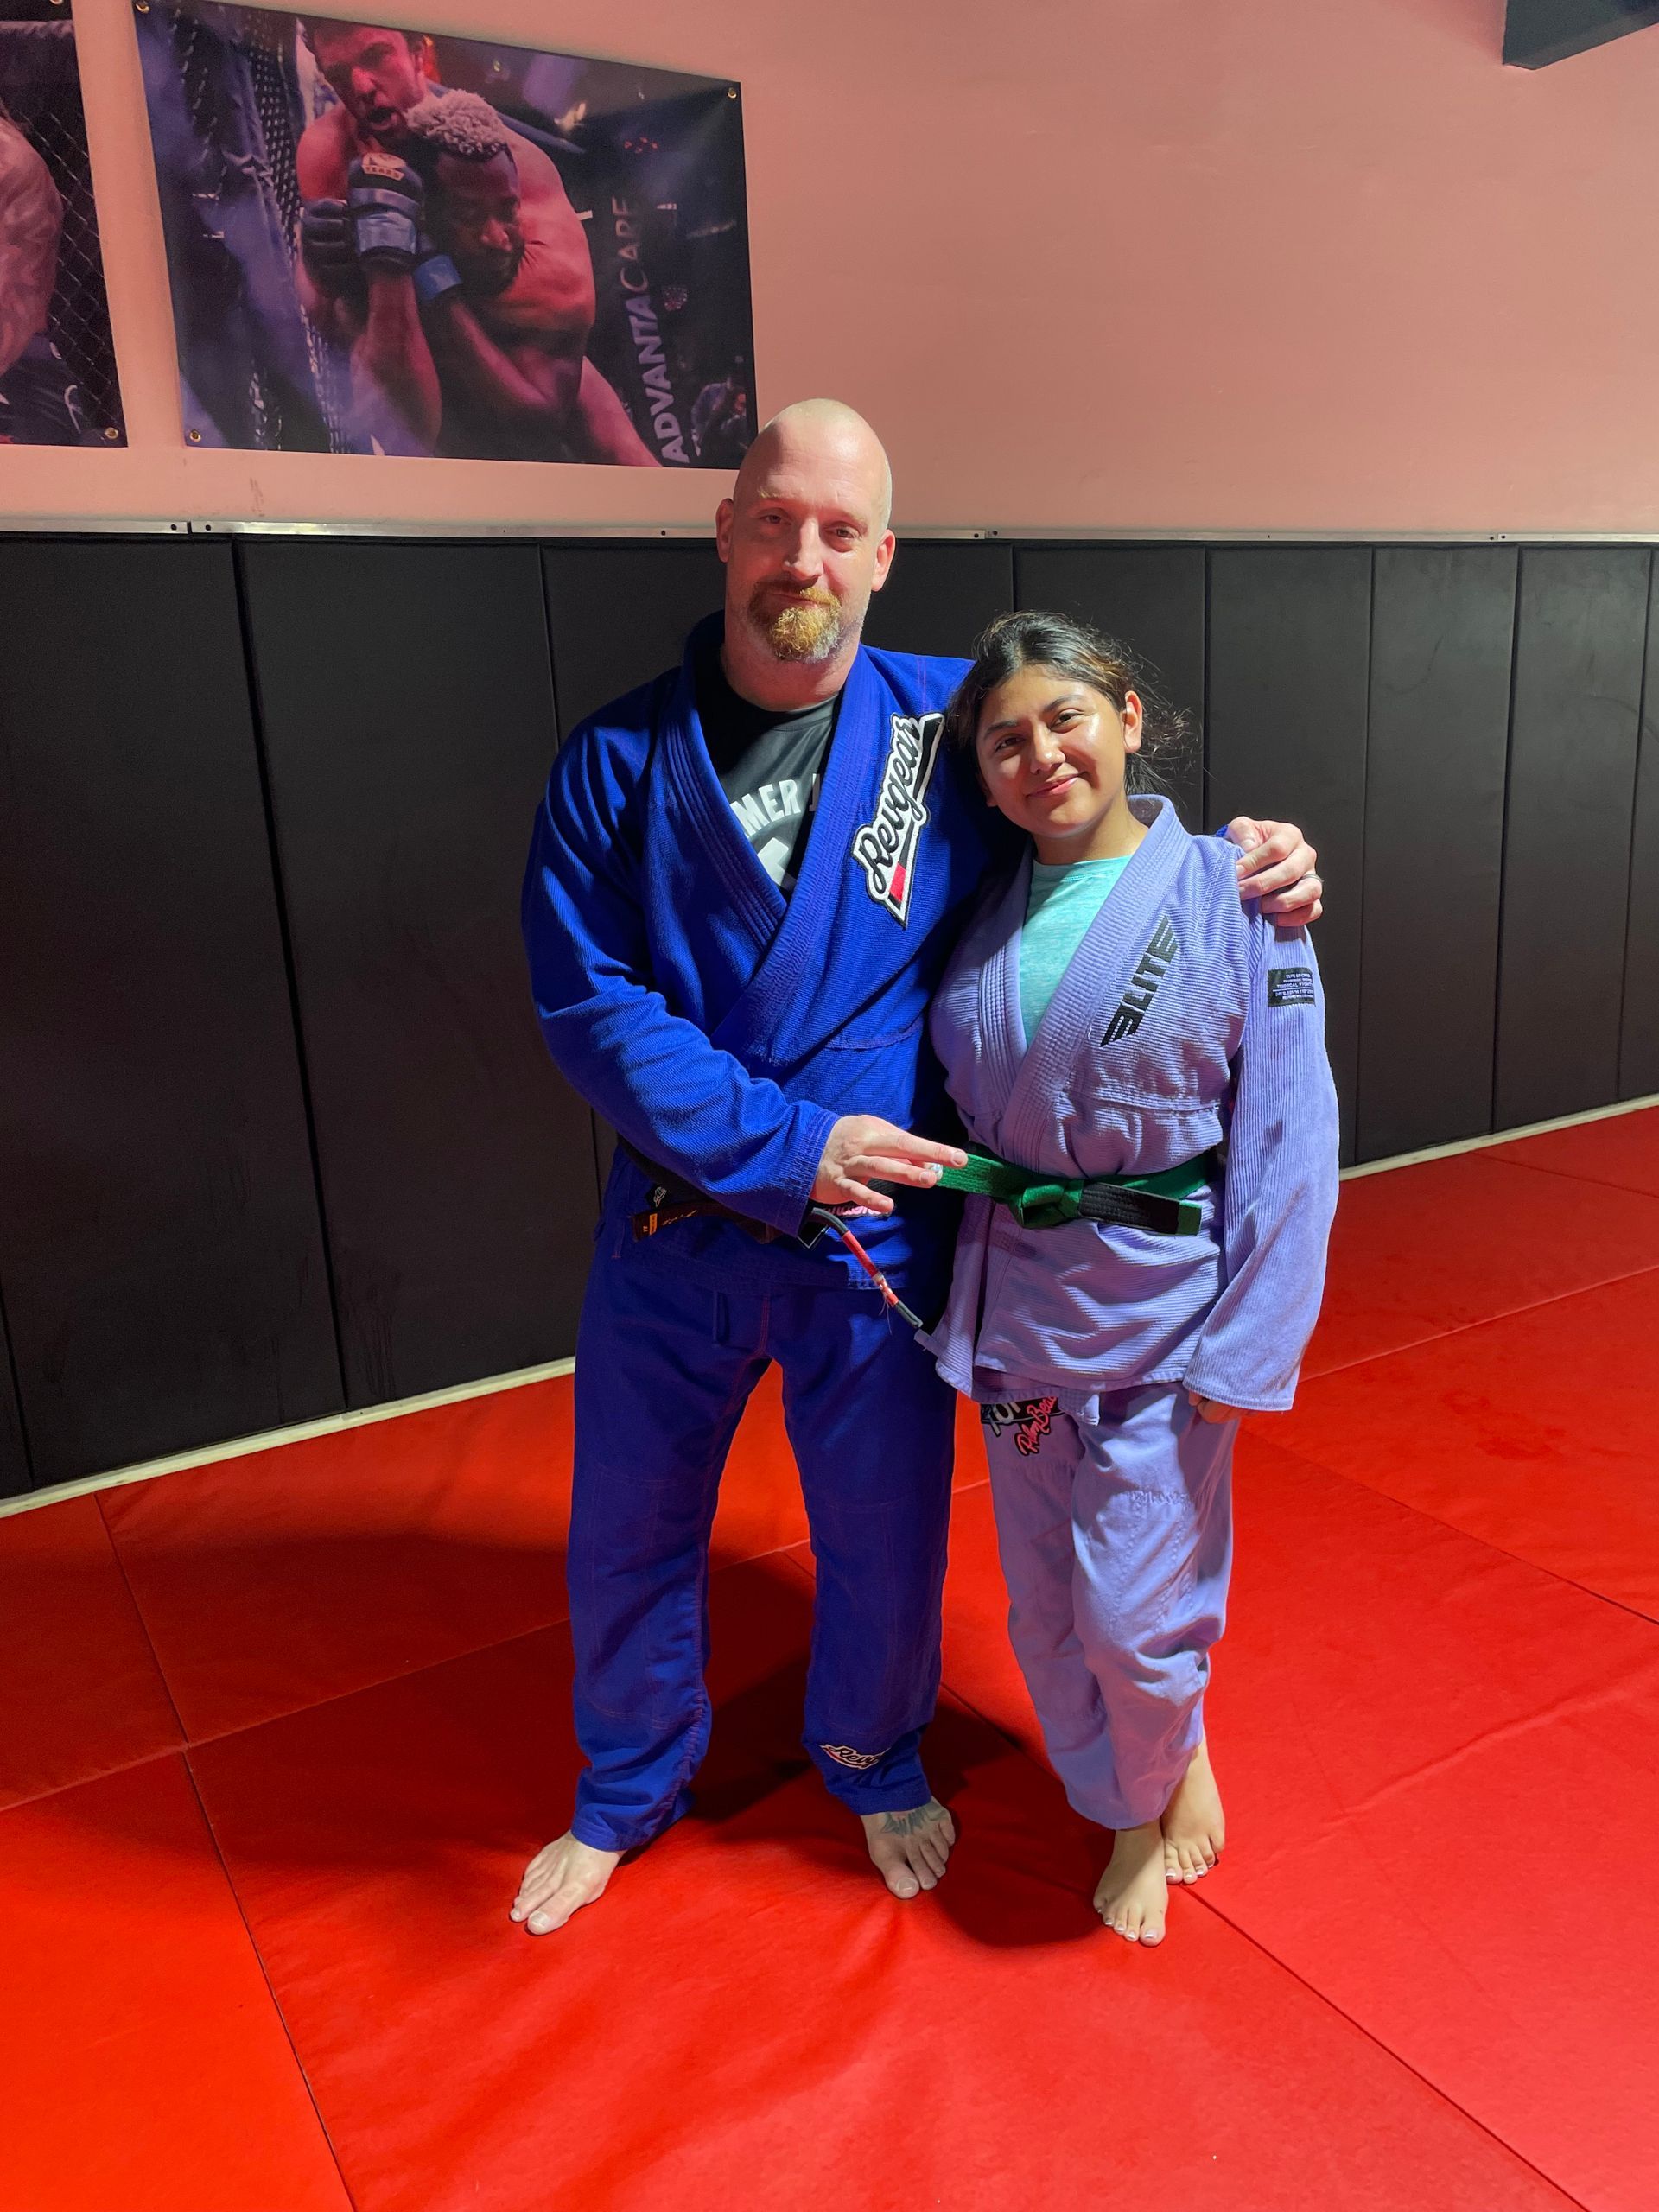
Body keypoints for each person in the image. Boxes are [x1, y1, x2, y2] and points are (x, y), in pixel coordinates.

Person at [514, 398, 1323, 1936]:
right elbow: (590, 1007)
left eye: (838, 528)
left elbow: (1088, 811)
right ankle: (624, 1786)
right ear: (726, 530)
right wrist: (785, 1144)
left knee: (884, 1531)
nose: (801, 556)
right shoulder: (614, 766)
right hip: (683, 1223)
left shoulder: (947, 730)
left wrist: (1249, 861)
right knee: (624, 1519)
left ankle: (876, 1759)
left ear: (883, 553)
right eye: (774, 520)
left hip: (876, 1247)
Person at [923, 612, 1339, 1946]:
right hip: (1020, 1323)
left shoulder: (1236, 892)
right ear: (982, 777)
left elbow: (1289, 1137)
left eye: (1067, 718)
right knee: (1046, 1606)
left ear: (1128, 720)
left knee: (1137, 1616)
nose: (1042, 755)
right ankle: (1130, 1793)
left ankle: (1155, 1779)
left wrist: (1248, 1352)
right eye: (1006, 741)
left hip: (1166, 1321)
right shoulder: (977, 920)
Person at [295, 29, 652, 463]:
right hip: (414, 372)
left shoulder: (522, 185)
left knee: (630, 466)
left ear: (417, 54)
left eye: (376, 56)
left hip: (523, 364)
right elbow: (329, 317)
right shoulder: (328, 150)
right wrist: (320, 264)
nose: (361, 87)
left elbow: (539, 419)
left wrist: (427, 273)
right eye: (338, 73)